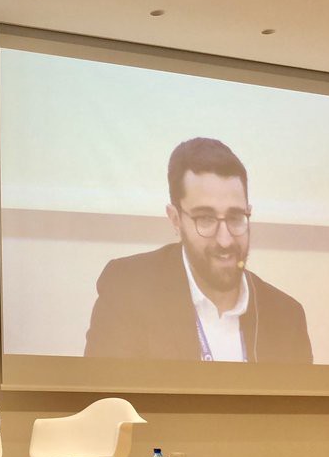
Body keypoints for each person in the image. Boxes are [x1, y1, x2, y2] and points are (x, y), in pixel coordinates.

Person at [84, 137, 312, 364]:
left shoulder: (286, 317)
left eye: (235, 217)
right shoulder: (128, 290)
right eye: (205, 219)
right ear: (176, 219)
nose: (225, 240)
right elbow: (105, 387)